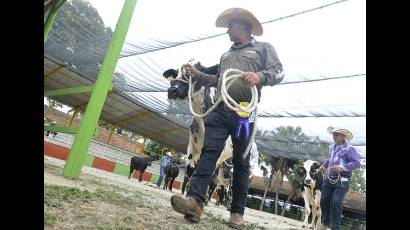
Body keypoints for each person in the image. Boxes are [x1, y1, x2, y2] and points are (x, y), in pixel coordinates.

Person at [170, 7, 284, 228]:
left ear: (242, 25)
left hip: (244, 115)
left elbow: (279, 72)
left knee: (241, 163)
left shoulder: (263, 48)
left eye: (230, 26)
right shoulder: (226, 55)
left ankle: (237, 213)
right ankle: (194, 202)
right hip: (220, 111)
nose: (228, 31)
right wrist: (197, 75)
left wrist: (259, 76)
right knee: (208, 154)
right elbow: (218, 81)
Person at [319, 127, 361, 230]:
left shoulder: (350, 149)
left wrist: (341, 168)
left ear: (343, 136)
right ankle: (325, 223)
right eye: (333, 134)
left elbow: (356, 163)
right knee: (323, 200)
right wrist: (324, 166)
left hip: (342, 181)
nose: (334, 136)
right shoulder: (332, 147)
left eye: (337, 134)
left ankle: (335, 227)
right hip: (328, 179)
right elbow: (330, 159)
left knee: (335, 202)